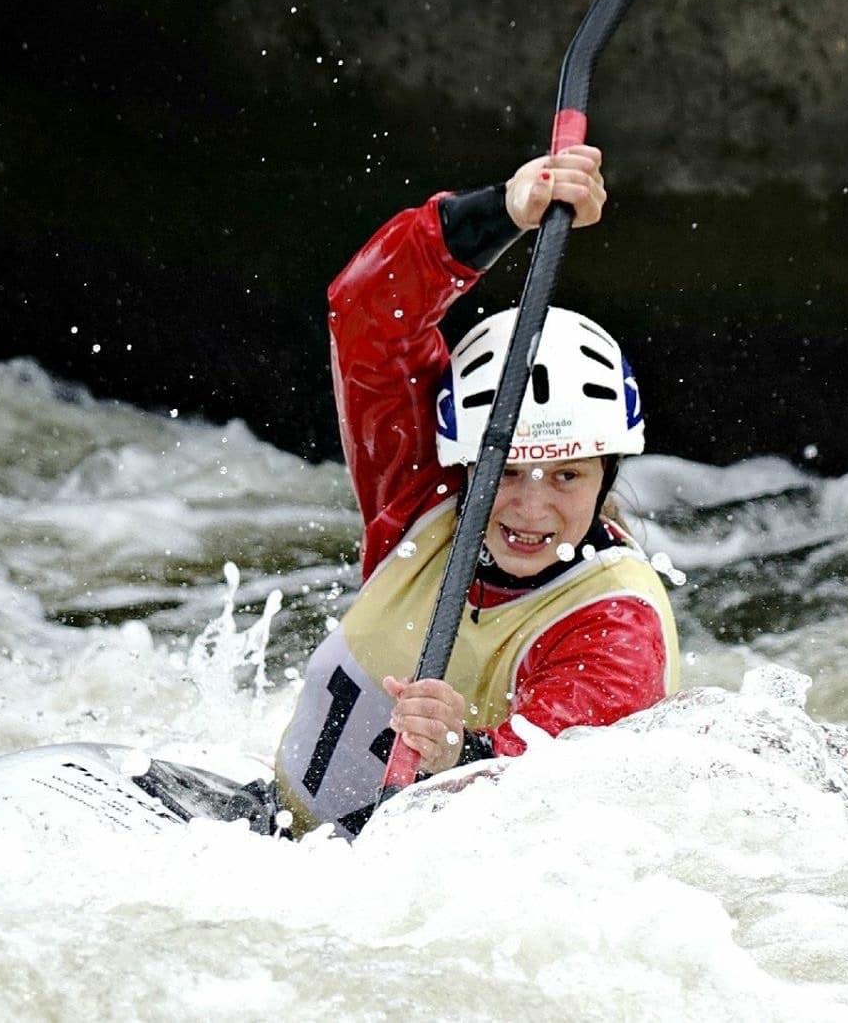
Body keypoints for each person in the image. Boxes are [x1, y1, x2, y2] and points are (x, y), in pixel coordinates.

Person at [270, 142, 680, 837]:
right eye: (508, 470)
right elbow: (368, 310)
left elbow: (562, 786)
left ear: (608, 472)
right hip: (270, 837)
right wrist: (505, 211)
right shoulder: (422, 497)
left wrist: (463, 751)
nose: (529, 506)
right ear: (465, 462)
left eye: (568, 475)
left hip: (402, 896)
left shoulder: (615, 621)